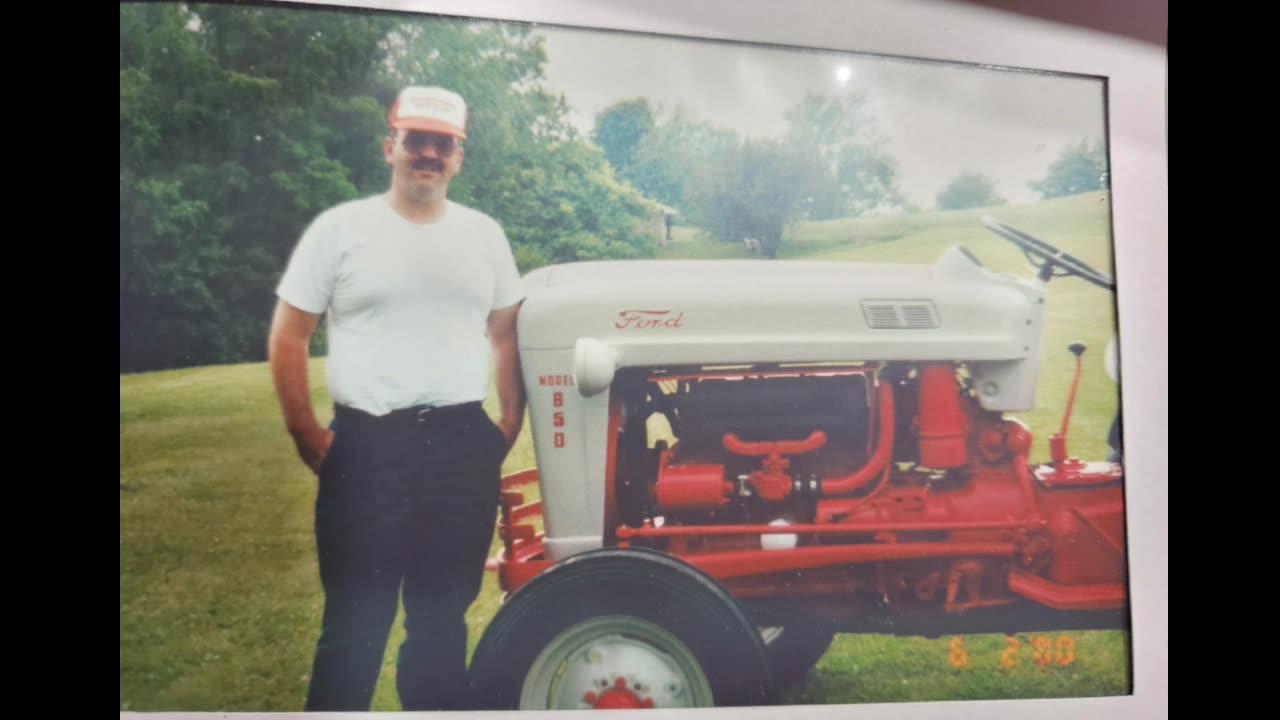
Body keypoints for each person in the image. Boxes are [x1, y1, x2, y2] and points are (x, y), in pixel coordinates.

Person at [267, 85, 525, 711]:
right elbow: (289, 334)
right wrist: (305, 431)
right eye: (417, 141)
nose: (429, 154)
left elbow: (505, 334)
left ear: (459, 156)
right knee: (355, 624)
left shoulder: (484, 236)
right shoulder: (341, 230)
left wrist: (508, 421)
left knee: (439, 626)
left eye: (444, 144)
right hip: (367, 449)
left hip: (462, 448)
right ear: (392, 147)